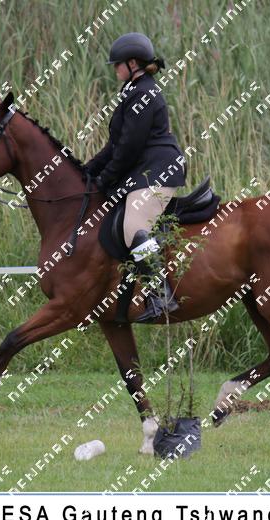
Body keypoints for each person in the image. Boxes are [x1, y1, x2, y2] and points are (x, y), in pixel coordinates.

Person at [83, 32, 187, 324]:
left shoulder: (143, 93)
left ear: (132, 64)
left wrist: (105, 179)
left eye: (117, 64)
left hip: (158, 169)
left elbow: (129, 148)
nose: (114, 69)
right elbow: (115, 145)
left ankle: (161, 296)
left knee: (134, 226)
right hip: (145, 170)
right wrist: (88, 171)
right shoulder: (133, 91)